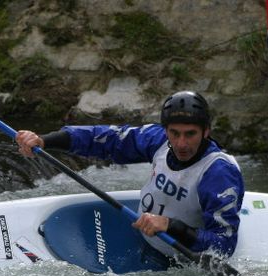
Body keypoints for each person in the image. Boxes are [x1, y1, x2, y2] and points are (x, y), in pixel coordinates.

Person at [15, 91, 244, 266]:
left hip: (180, 259)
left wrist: (171, 226)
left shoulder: (219, 174)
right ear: (166, 130)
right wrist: (46, 140)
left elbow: (223, 246)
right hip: (141, 230)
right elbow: (108, 139)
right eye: (175, 133)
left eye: (190, 134)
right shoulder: (158, 141)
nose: (181, 143)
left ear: (206, 131)